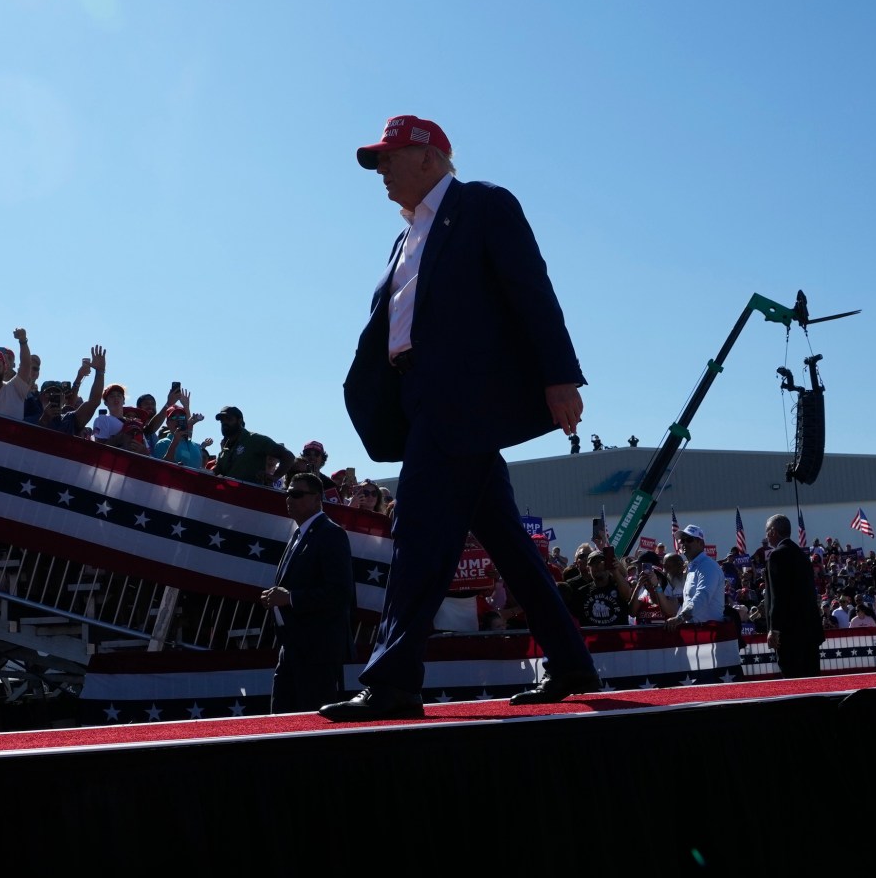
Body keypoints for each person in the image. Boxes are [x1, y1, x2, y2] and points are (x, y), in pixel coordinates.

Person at [326, 116, 598, 720]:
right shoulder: (405, 239)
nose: (382, 171)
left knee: (418, 531)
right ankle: (572, 661)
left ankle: (394, 679)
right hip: (421, 397)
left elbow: (531, 288)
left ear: (429, 156)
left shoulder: (482, 205)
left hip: (462, 399)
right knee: (506, 540)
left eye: (389, 157)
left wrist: (560, 377)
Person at [259, 471, 355, 713]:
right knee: (281, 721)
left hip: (317, 650)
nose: (289, 499)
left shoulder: (330, 534)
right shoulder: (299, 534)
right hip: (292, 646)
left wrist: (290, 598)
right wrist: (277, 597)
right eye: (288, 493)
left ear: (317, 499)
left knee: (310, 723)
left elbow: (340, 593)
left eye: (297, 494)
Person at [760, 515, 824, 680]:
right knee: (813, 682)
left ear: (773, 531)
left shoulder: (777, 555)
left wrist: (774, 629)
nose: (766, 536)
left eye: (767, 532)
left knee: (795, 683)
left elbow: (777, 595)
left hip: (789, 634)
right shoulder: (801, 555)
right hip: (809, 630)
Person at [211, 407, 290, 486]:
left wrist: (275, 477)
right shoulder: (226, 447)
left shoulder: (254, 440)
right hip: (228, 495)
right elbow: (218, 471)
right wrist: (209, 472)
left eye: (228, 419)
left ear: (239, 420)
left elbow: (288, 456)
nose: (224, 422)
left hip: (250, 495)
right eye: (222, 421)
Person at [671, 525, 727, 624]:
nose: (684, 543)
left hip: (710, 633)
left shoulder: (708, 566)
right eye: (682, 541)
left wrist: (680, 618)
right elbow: (688, 602)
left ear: (701, 543)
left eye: (689, 540)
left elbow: (702, 595)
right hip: (696, 632)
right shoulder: (693, 567)